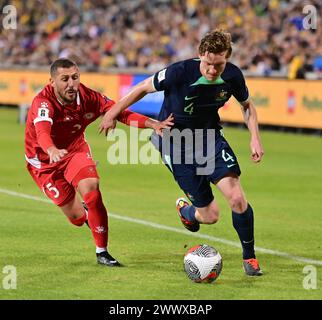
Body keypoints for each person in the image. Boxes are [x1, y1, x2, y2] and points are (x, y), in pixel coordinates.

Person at [99, 30, 265, 276]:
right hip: (175, 143)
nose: (212, 70)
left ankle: (249, 258)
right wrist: (113, 113)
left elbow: (247, 106)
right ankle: (187, 212)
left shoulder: (232, 76)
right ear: (201, 55)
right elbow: (143, 87)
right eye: (208, 64)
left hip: (209, 141)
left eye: (219, 65)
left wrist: (255, 137)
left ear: (227, 59)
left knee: (237, 199)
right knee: (210, 216)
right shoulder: (179, 71)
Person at [24, 58, 173, 267]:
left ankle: (102, 252)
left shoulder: (89, 97)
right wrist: (51, 150)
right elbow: (42, 132)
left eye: (75, 78)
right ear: (52, 81)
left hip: (74, 151)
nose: (71, 84)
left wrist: (152, 123)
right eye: (64, 79)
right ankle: (85, 213)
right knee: (76, 218)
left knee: (91, 189)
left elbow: (119, 112)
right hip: (43, 163)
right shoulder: (43, 103)